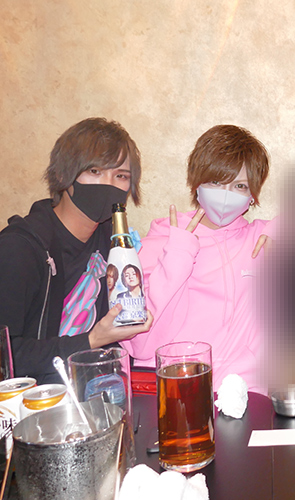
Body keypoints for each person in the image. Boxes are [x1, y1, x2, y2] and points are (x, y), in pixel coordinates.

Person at [121, 125, 274, 394]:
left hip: (243, 393)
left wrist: (284, 229)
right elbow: (139, 342)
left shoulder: (260, 238)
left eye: (239, 186)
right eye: (216, 182)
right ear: (196, 183)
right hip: (175, 391)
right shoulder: (163, 238)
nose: (225, 194)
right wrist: (178, 254)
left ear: (252, 196)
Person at [0, 118, 153, 384]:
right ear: (63, 175)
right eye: (95, 171)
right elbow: (6, 354)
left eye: (121, 176)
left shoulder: (113, 243)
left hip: (92, 390)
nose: (108, 184)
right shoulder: (20, 247)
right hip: (31, 397)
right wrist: (92, 339)